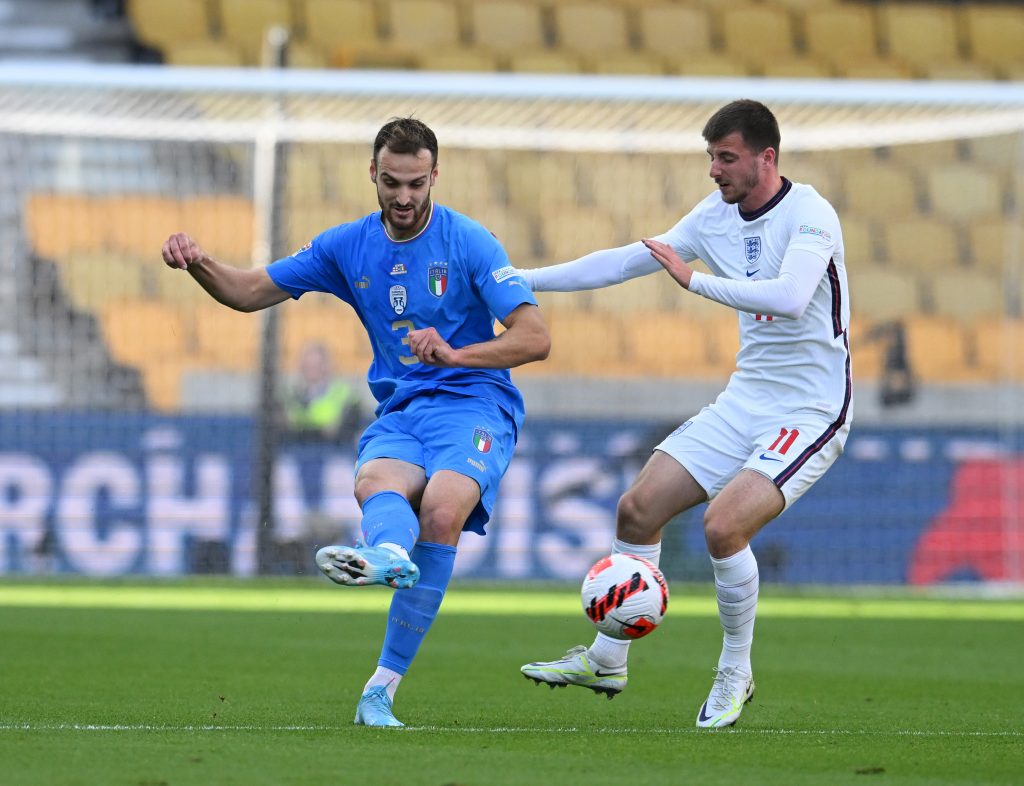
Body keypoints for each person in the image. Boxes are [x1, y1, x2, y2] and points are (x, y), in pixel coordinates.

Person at [161, 116, 550, 727]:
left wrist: (455, 353)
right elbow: (247, 291)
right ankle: (388, 555)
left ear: (434, 177)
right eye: (392, 182)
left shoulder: (471, 242)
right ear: (372, 173)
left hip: (475, 400)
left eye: (417, 184)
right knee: (374, 482)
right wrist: (199, 262)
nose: (403, 197)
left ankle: (383, 685)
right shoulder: (347, 245)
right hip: (402, 406)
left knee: (443, 510)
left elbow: (535, 337)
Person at [519, 99, 851, 729]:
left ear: (765, 158)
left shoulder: (811, 214)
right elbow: (623, 261)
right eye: (710, 157)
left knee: (725, 526)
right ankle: (607, 659)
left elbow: (789, 297)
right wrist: (523, 278)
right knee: (637, 509)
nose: (714, 171)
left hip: (813, 407)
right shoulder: (714, 216)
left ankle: (735, 670)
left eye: (725, 158)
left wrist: (694, 283)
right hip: (748, 397)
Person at [279, 340, 364, 444]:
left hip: (334, 449)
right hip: (298, 447)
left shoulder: (344, 393)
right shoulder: (291, 394)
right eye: (308, 366)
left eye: (317, 365)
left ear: (327, 366)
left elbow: (348, 427)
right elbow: (287, 427)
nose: (312, 370)